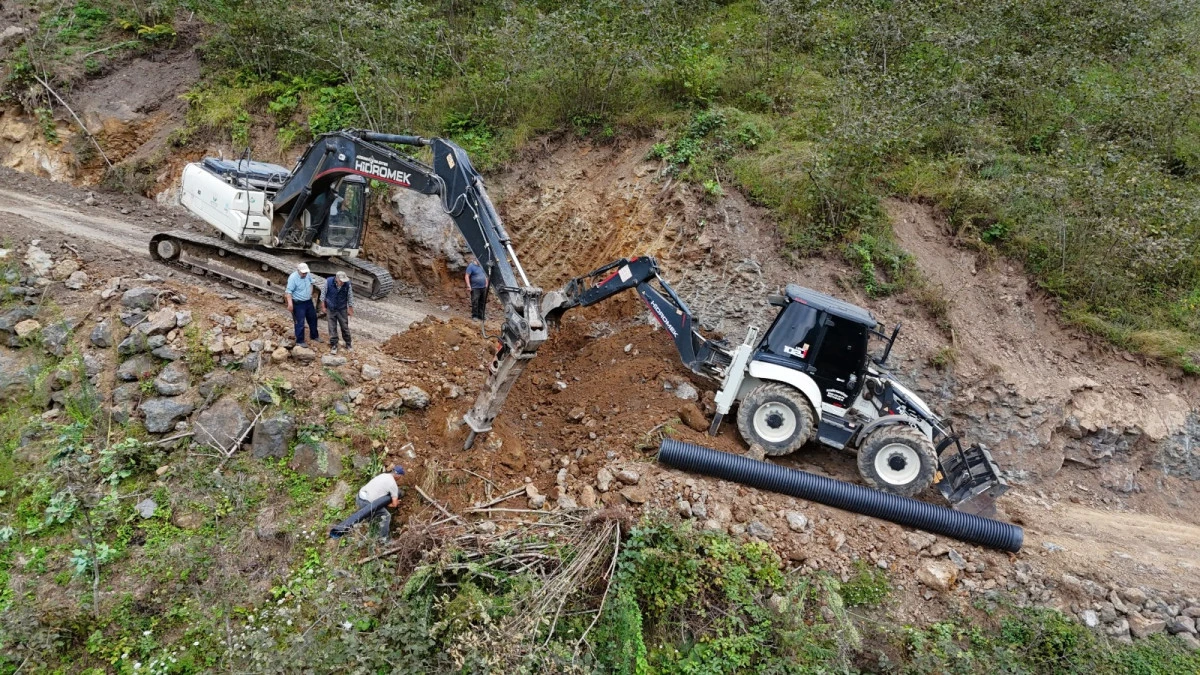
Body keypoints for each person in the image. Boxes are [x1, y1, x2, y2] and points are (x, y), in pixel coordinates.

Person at [356, 466, 405, 540]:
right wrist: (396, 503)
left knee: (375, 511)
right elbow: (394, 505)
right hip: (367, 504)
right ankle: (384, 539)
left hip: (359, 497)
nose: (400, 478)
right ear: (398, 476)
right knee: (386, 515)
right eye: (401, 476)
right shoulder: (393, 485)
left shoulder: (383, 475)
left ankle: (369, 526)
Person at [285, 262, 319, 347]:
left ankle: (314, 336)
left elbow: (311, 283)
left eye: (306, 272)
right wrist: (290, 304)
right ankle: (300, 341)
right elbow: (288, 292)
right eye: (303, 273)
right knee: (300, 322)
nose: (305, 274)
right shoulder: (293, 278)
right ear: (298, 271)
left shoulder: (307, 275)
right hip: (298, 303)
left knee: (313, 319)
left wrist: (310, 294)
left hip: (308, 301)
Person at [324, 271, 354, 354]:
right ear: (336, 279)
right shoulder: (328, 282)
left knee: (344, 327)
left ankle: (348, 344)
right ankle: (334, 345)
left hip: (342, 309)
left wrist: (350, 308)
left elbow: (350, 296)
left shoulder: (347, 284)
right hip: (331, 308)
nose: (342, 282)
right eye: (340, 281)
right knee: (332, 327)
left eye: (343, 281)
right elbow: (323, 294)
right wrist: (323, 306)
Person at [464, 257, 488, 321]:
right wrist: (469, 286)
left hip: (483, 287)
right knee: (475, 301)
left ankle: (481, 315)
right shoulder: (471, 266)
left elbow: (485, 275)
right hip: (475, 288)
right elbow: (467, 276)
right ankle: (475, 315)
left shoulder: (482, 266)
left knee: (482, 301)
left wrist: (486, 283)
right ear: (476, 259)